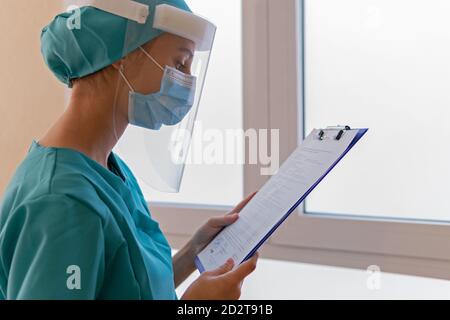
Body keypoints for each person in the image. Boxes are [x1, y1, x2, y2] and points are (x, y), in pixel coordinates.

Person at [0, 0, 258, 300]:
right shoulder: (61, 201)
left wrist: (193, 252)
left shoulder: (106, 167)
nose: (187, 80)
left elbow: (123, 286)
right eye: (179, 63)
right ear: (121, 55)